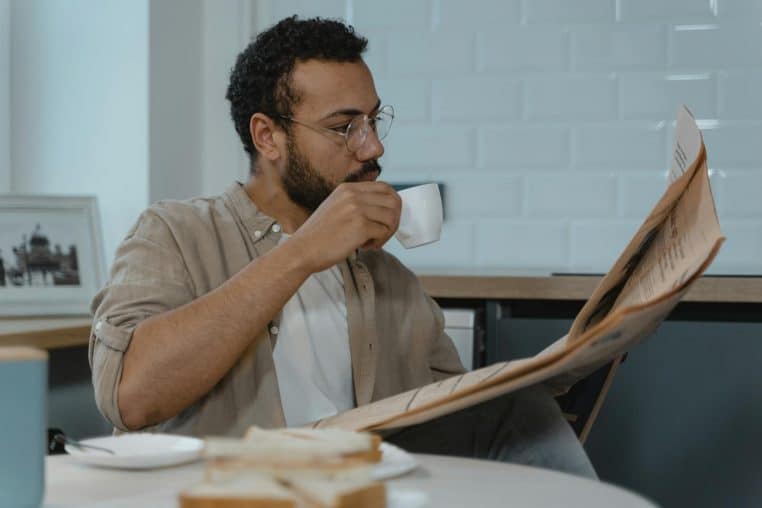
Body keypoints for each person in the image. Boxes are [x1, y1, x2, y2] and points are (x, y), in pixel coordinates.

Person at [89, 16, 596, 478]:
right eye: (343, 127)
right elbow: (129, 398)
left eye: (374, 121)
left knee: (524, 415)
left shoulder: (390, 279)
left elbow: (464, 423)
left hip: (362, 493)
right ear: (268, 137)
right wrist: (302, 252)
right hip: (234, 492)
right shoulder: (176, 232)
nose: (373, 147)